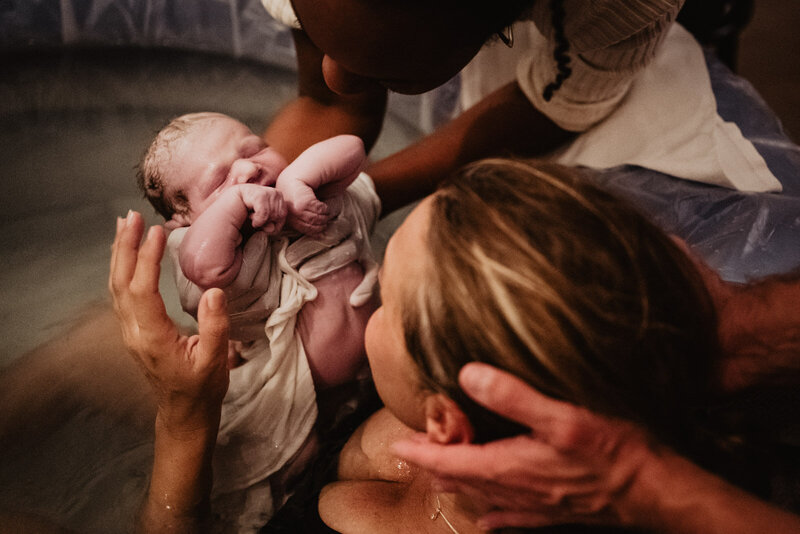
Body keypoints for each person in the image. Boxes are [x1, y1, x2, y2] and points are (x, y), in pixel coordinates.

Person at [109, 159, 800, 533]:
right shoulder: (610, 370)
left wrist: (185, 419)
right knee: (87, 353)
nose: (370, 295)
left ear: (446, 421)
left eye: (388, 302)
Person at [135, 111, 381, 529]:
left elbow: (352, 148)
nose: (249, 167)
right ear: (185, 221)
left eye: (255, 149)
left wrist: (295, 181)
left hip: (373, 370)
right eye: (220, 182)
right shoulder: (233, 269)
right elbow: (202, 264)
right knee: (283, 473)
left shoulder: (314, 197)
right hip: (295, 397)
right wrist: (237, 203)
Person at [260, 0, 689, 212]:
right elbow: (331, 102)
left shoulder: (622, 7)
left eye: (385, 73)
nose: (335, 77)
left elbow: (557, 103)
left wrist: (368, 197)